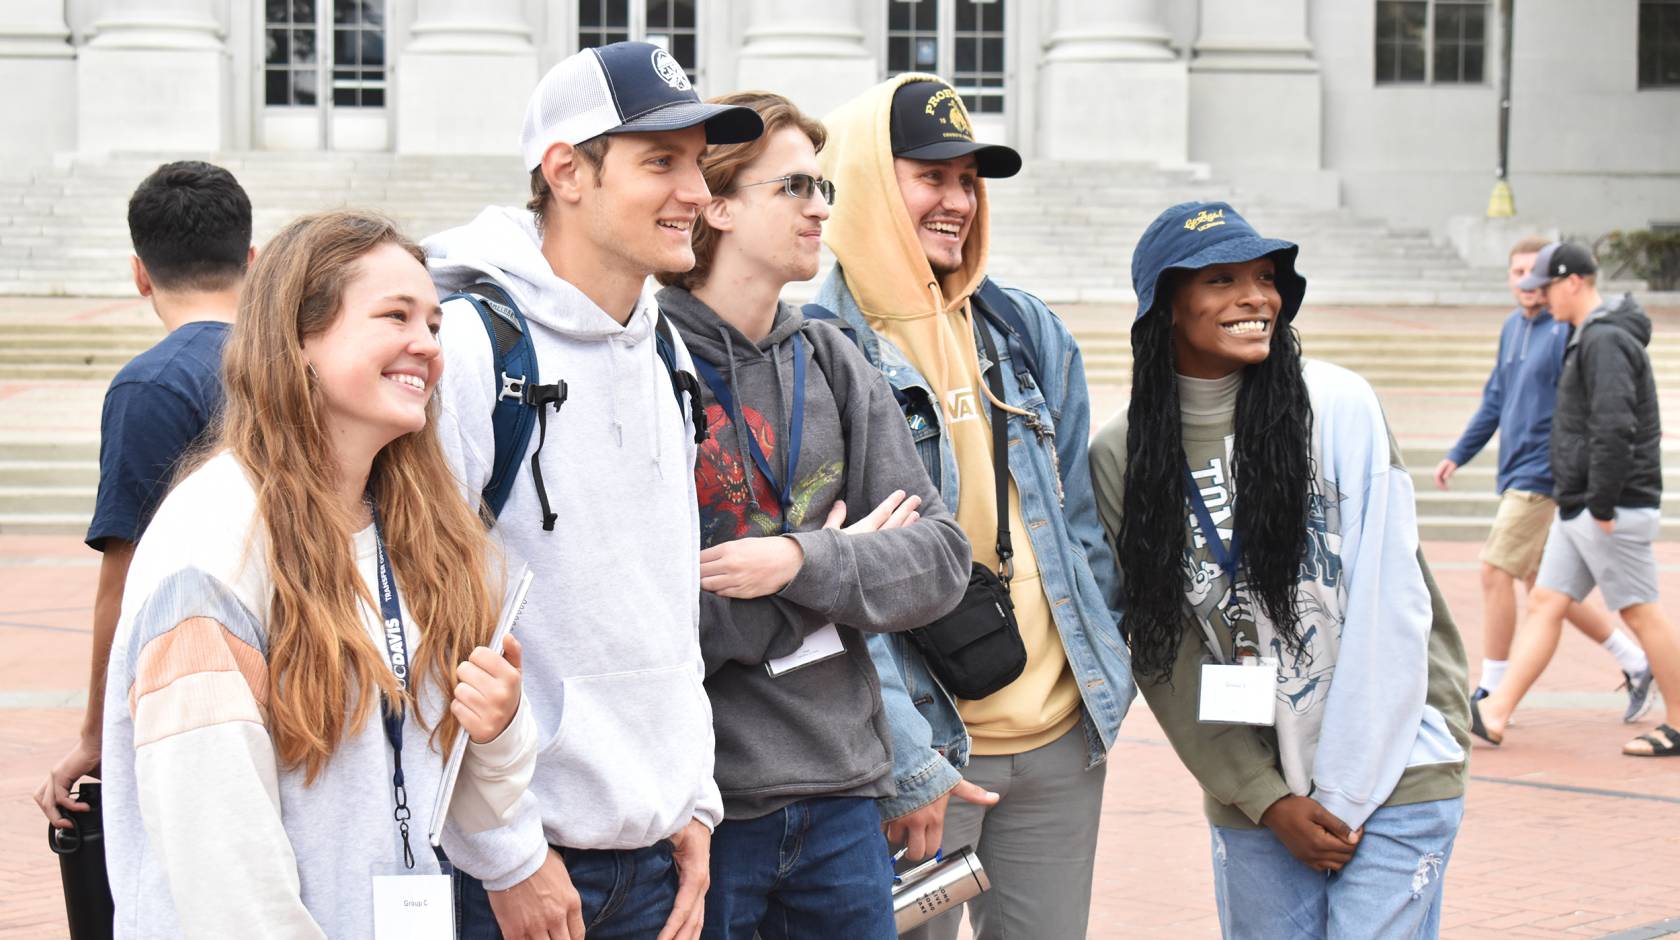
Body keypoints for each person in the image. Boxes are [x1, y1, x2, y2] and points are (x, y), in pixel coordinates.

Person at [99, 210, 538, 936]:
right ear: (298, 340)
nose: (427, 346)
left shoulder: (421, 529)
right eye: (395, 316)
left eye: (433, 323)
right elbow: (225, 873)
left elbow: (459, 810)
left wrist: (496, 734)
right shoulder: (210, 548)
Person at [424, 42, 764, 940]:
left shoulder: (665, 350)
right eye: (661, 162)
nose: (696, 192)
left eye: (698, 163)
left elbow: (662, 599)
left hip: (655, 856)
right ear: (565, 170)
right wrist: (507, 856)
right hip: (514, 875)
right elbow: (427, 622)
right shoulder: (466, 349)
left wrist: (693, 797)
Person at [1089, 201, 1471, 939]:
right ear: (1168, 306)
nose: (1255, 297)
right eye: (1222, 279)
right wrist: (1267, 798)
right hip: (1257, 790)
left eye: (1266, 277)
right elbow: (1164, 651)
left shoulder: (1336, 405)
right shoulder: (1124, 453)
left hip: (1396, 767)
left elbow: (1396, 598)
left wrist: (1372, 773)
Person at [815, 74, 1134, 940]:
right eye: (931, 175)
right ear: (870, 180)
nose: (957, 199)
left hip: (1060, 739)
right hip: (918, 750)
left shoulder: (1025, 330)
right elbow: (835, 583)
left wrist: (1105, 666)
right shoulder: (816, 347)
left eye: (969, 179)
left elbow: (1075, 526)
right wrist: (910, 760)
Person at [653, 90, 972, 939]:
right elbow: (651, 621)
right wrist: (836, 566)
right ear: (717, 204)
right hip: (709, 809)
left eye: (824, 186)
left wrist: (800, 564)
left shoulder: (829, 356)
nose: (821, 206)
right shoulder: (647, 361)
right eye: (794, 187)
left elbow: (940, 560)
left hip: (842, 799)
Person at [36, 160, 253, 828]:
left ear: (139, 272)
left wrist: (98, 732)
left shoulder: (151, 385)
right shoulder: (301, 364)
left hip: (194, 684)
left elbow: (121, 576)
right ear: (253, 258)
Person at [1471, 242, 1680, 758]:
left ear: (1574, 282)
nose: (1540, 297)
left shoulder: (1605, 338)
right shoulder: (1589, 334)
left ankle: (1678, 723)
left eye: (1545, 286)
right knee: (1545, 600)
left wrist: (1603, 505)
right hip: (1579, 501)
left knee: (1641, 613)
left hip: (1608, 503)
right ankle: (1494, 712)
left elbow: (1614, 425)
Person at [1435, 236, 1649, 715]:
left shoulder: (1565, 330)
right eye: (1519, 274)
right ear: (1511, 279)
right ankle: (1635, 661)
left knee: (1494, 570)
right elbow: (1495, 399)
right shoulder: (1513, 328)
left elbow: (1590, 411)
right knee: (1546, 589)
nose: (1530, 285)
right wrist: (1459, 454)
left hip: (1544, 473)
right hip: (1517, 468)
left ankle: (1490, 688)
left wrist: (1580, 476)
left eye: (1538, 275)